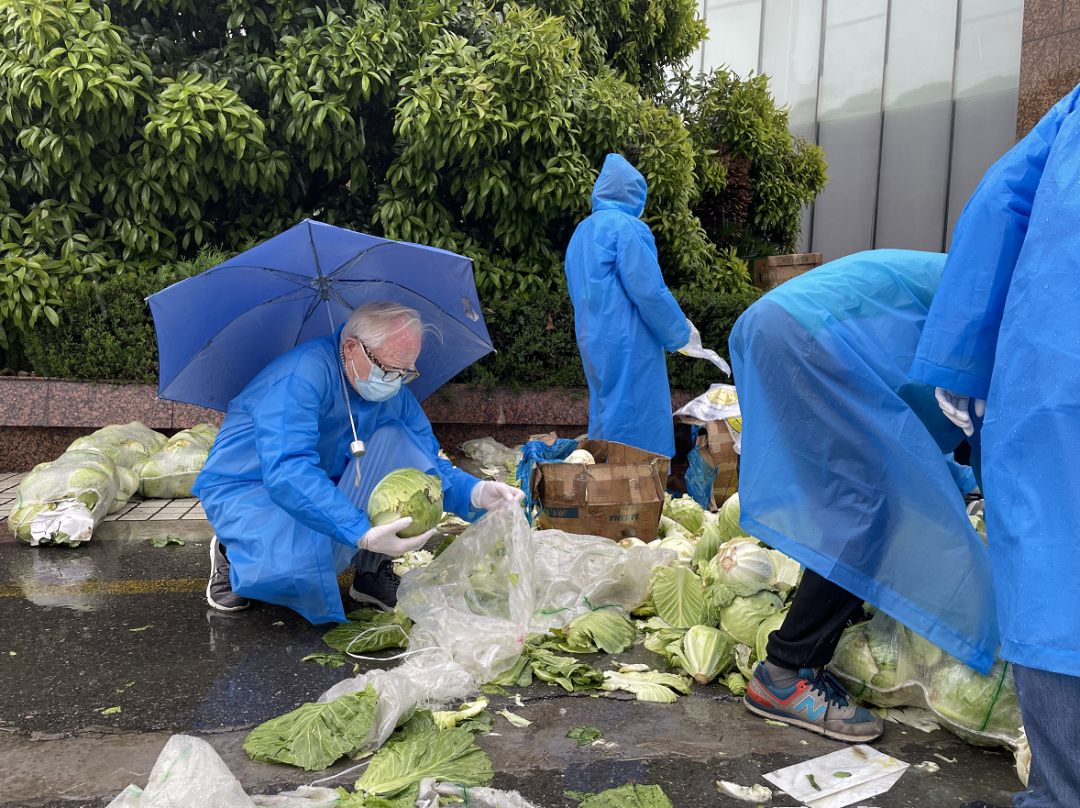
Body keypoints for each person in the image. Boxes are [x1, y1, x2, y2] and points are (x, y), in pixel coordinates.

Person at [729, 249, 995, 743]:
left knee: (855, 496)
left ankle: (837, 614)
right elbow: (994, 449)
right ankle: (786, 674)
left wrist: (962, 488)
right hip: (810, 340)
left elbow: (920, 438)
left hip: (785, 328)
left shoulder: (995, 284)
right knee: (872, 506)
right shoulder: (1017, 319)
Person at [911, 85, 1080, 808]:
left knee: (1053, 567)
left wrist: (959, 360)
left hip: (1055, 368)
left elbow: (998, 203)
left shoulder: (1072, 115)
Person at [193, 301, 524, 624]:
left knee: (396, 441)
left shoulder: (389, 384)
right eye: (388, 369)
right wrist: (360, 531)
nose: (395, 381)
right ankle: (230, 548)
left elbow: (422, 456)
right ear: (351, 348)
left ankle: (370, 569)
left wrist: (475, 492)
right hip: (252, 487)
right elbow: (288, 471)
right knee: (290, 573)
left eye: (407, 372)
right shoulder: (300, 376)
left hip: (326, 480)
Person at [563, 153, 692, 458]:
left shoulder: (581, 232)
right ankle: (636, 491)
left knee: (605, 410)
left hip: (592, 339)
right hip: (628, 341)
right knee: (637, 415)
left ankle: (602, 482)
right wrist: (680, 333)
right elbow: (649, 291)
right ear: (634, 194)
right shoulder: (627, 228)